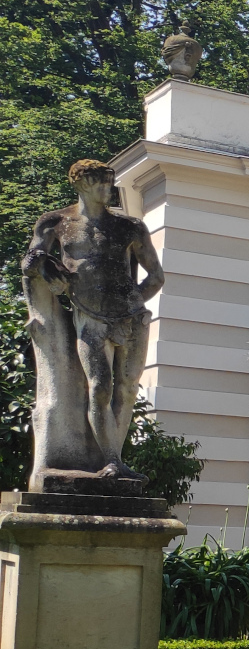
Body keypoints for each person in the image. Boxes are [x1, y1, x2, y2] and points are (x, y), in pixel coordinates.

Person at [21, 160, 165, 479]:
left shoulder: (130, 226)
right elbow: (30, 259)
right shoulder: (55, 222)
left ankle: (117, 459)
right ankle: (111, 459)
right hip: (89, 316)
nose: (108, 190)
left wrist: (132, 301)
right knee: (99, 386)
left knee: (127, 390)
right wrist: (46, 267)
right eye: (101, 184)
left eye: (109, 183)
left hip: (130, 317)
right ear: (81, 184)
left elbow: (156, 276)